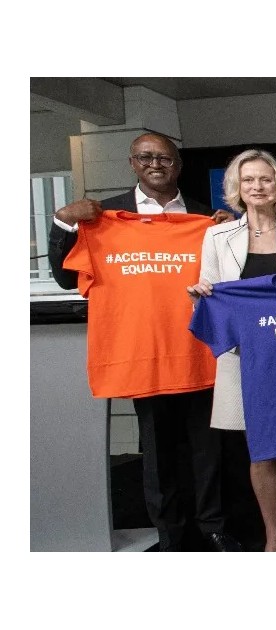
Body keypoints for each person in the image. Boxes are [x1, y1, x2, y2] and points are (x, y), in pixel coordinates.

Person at [47, 131, 240, 552]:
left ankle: (214, 526)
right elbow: (66, 277)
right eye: (146, 157)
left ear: (178, 164)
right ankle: (170, 534)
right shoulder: (104, 218)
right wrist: (64, 220)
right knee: (156, 452)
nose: (156, 164)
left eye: (165, 158)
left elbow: (235, 277)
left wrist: (232, 233)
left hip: (199, 353)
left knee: (210, 449)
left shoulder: (205, 219)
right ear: (132, 163)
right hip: (142, 353)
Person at [185, 149, 276, 552]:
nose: (257, 187)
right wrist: (199, 296)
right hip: (244, 360)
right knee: (261, 448)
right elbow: (208, 294)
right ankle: (273, 532)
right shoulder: (216, 235)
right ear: (237, 188)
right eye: (249, 180)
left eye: (265, 179)